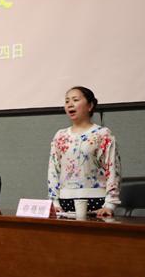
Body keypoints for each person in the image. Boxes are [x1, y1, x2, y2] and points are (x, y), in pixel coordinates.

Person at [47, 86, 121, 218]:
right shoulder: (60, 135)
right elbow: (53, 170)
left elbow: (113, 169)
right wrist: (54, 202)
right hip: (64, 203)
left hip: (97, 202)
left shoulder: (103, 134)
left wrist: (110, 204)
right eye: (67, 101)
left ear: (90, 105)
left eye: (75, 100)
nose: (70, 104)